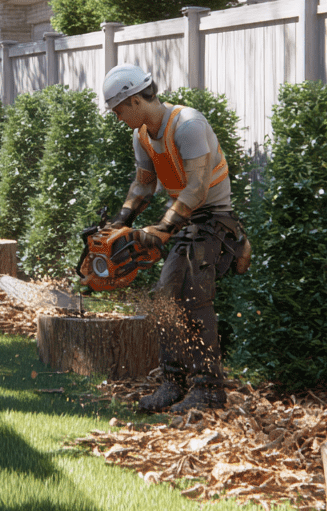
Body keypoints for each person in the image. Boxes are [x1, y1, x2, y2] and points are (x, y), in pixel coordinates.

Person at [103, 63, 248, 414]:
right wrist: (121, 222)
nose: (117, 117)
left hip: (213, 219)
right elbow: (143, 185)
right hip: (185, 222)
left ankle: (209, 390)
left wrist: (163, 229)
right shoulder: (142, 136)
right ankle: (173, 383)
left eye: (118, 110)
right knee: (165, 298)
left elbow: (197, 188)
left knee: (194, 298)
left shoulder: (188, 125)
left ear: (135, 100)